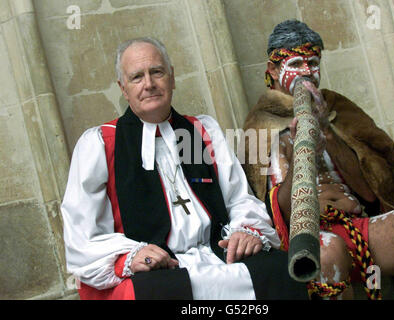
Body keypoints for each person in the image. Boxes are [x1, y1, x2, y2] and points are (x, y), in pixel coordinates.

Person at [61, 37, 308, 300]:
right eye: (136, 77)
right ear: (123, 89)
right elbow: (82, 235)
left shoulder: (202, 132)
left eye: (157, 72)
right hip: (158, 269)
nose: (149, 84)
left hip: (218, 251)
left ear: (172, 78)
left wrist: (245, 230)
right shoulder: (100, 144)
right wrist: (130, 256)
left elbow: (239, 198)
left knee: (280, 270)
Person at [242, 19, 394, 299]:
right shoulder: (259, 126)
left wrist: (326, 130)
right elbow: (279, 214)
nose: (307, 73)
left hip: (362, 227)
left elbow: (370, 193)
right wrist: (302, 151)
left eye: (313, 62)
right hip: (311, 242)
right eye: (295, 65)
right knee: (329, 252)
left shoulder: (337, 108)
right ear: (273, 70)